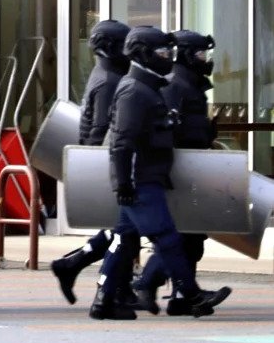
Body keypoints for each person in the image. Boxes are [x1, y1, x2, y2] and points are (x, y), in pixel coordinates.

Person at [90, 25, 230, 321]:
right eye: (163, 52)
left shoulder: (145, 89)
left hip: (146, 176)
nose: (168, 58)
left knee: (124, 239)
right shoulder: (134, 91)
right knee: (167, 238)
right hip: (141, 180)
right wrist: (123, 183)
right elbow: (122, 143)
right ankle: (191, 295)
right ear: (143, 54)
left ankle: (103, 301)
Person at [131, 30, 218, 314]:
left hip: (190, 169)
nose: (206, 60)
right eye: (201, 54)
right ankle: (147, 282)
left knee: (191, 238)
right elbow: (167, 129)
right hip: (177, 172)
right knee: (180, 236)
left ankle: (180, 296)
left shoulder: (190, 84)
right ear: (186, 55)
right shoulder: (175, 86)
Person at [50, 19, 131, 304]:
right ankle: (113, 288)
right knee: (126, 229)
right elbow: (102, 129)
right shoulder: (109, 80)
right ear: (109, 48)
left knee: (123, 228)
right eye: (124, 45)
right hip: (105, 162)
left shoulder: (107, 73)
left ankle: (76, 267)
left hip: (102, 162)